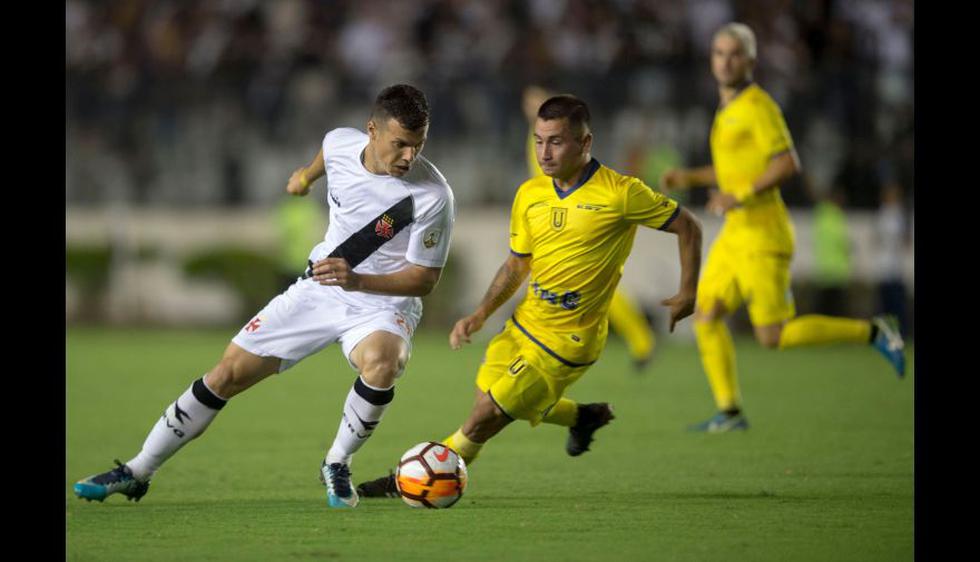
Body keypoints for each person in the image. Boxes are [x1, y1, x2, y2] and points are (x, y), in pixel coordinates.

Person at [73, 84, 456, 509]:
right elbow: (327, 158)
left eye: (418, 146)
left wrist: (358, 281)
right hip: (321, 289)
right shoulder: (340, 142)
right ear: (371, 131)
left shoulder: (432, 196)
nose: (409, 157)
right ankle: (137, 471)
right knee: (226, 374)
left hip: (382, 302)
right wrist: (305, 178)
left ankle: (337, 461)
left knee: (384, 363)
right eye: (400, 144)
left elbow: (424, 280)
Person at [356, 94, 702, 497]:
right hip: (525, 324)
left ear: (585, 143)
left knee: (484, 418)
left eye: (556, 141)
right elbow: (517, 264)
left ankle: (406, 482)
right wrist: (481, 314)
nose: (544, 152)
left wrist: (688, 291)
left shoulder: (620, 193)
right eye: (538, 140)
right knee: (488, 400)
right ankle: (582, 416)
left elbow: (688, 226)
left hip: (569, 341)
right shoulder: (530, 194)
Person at [659, 23, 906, 433]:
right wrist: (691, 178)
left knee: (773, 336)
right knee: (705, 314)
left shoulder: (758, 107)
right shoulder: (729, 108)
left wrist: (738, 195)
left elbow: (787, 162)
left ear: (751, 62)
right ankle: (730, 411)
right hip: (736, 234)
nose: (726, 60)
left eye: (735, 53)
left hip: (763, 234)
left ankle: (874, 331)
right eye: (719, 53)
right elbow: (736, 167)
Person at [524, 85, 658, 372]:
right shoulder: (538, 137)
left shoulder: (559, 136)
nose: (531, 105)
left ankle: (641, 340)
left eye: (536, 99)